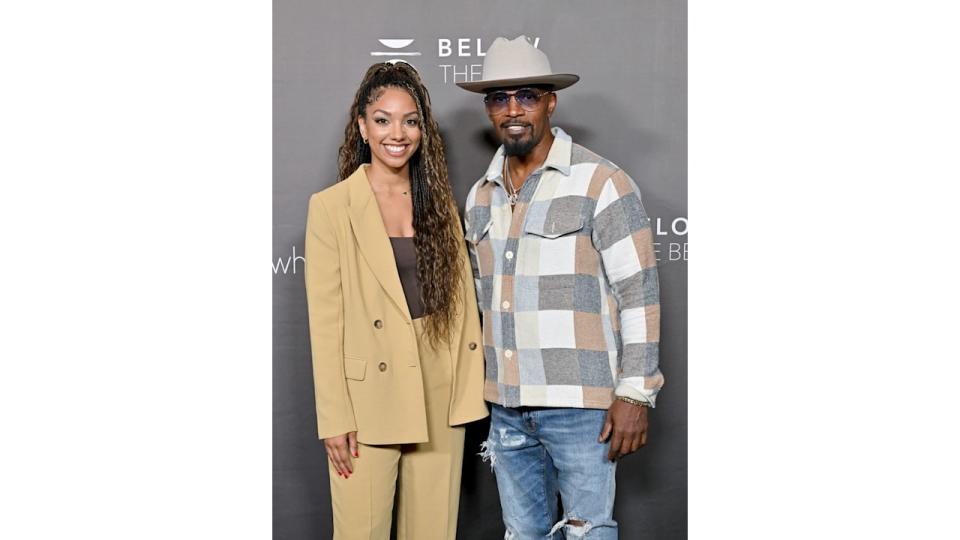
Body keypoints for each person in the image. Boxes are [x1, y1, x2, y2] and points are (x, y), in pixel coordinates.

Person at [457, 36, 664, 539]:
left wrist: (635, 393)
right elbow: (480, 303)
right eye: (498, 98)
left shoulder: (601, 181)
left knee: (588, 531)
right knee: (521, 534)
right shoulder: (480, 196)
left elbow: (638, 291)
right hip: (506, 405)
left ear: (551, 101)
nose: (512, 110)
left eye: (526, 95)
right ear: (488, 108)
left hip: (582, 406)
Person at [304, 61, 487, 540]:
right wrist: (335, 417)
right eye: (383, 119)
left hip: (439, 388)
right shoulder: (331, 207)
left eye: (409, 121)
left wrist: (467, 390)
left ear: (422, 130)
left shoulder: (440, 203)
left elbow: (462, 306)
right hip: (367, 400)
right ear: (362, 127)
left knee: (433, 532)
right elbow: (325, 322)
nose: (397, 133)